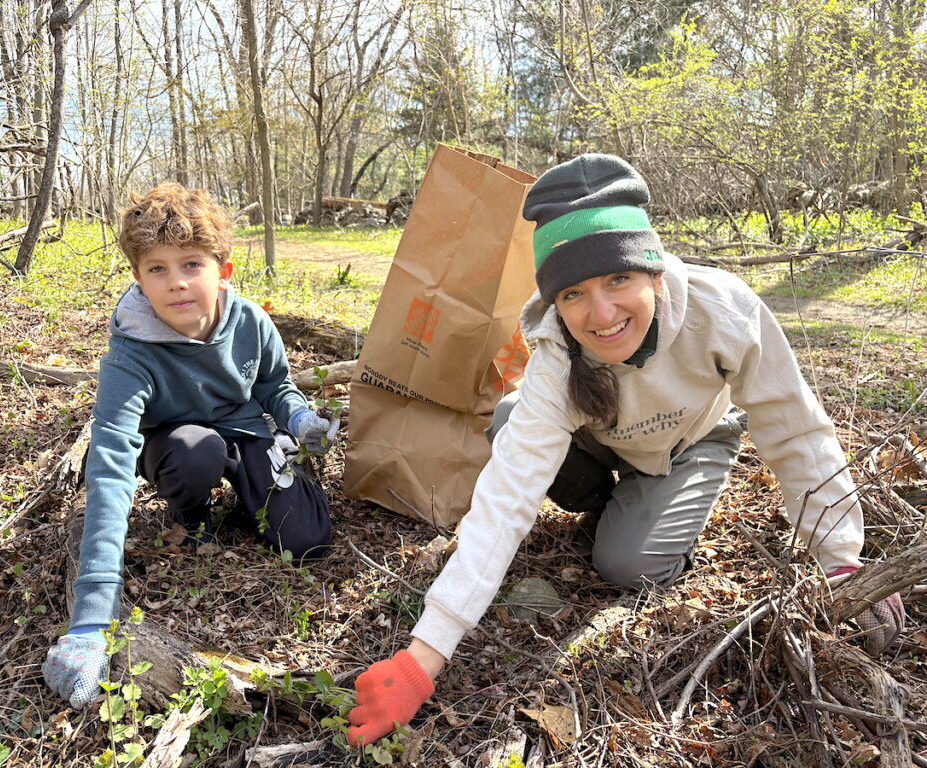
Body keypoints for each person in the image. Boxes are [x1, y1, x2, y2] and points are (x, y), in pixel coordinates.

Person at [346, 154, 905, 746]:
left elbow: (795, 431)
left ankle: (652, 514)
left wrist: (839, 556)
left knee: (624, 566)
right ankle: (617, 504)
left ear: (654, 273)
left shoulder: (724, 313)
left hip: (687, 443)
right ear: (556, 304)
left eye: (618, 280)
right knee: (512, 420)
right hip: (604, 444)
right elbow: (506, 499)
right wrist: (423, 657)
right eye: (574, 294)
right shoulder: (557, 355)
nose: (602, 314)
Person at [42, 183, 338, 709]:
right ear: (138, 277)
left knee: (307, 541)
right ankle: (192, 511)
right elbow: (110, 464)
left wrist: (297, 416)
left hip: (244, 429)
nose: (176, 283)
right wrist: (90, 620)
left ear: (221, 270)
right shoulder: (129, 355)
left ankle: (255, 484)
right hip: (176, 443)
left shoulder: (250, 321)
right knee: (195, 451)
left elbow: (273, 383)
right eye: (157, 269)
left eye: (191, 264)